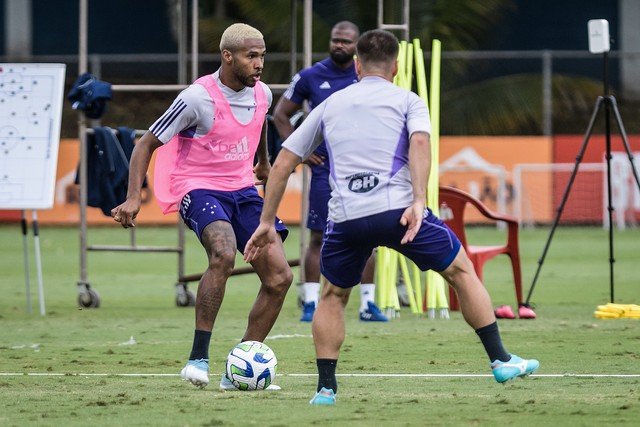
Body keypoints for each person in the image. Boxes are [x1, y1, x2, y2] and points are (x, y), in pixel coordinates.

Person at [244, 29, 539, 405]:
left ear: (357, 65)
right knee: (462, 272)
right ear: (396, 67)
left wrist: (267, 223)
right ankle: (500, 359)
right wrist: (418, 200)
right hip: (400, 213)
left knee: (332, 297)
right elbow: (419, 143)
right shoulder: (409, 100)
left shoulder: (330, 104)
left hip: (347, 218)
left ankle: (325, 389)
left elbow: (283, 164)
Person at [111, 23, 293, 391]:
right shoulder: (197, 98)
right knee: (223, 253)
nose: (259, 64)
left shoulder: (263, 95)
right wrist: (133, 196)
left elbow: (258, 127)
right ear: (227, 56)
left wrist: (263, 161)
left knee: (279, 277)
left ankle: (238, 368)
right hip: (197, 187)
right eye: (251, 56)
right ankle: (198, 358)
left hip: (241, 189)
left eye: (262, 56)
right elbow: (145, 143)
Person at [273, 21, 387, 323]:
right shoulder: (311, 76)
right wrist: (301, 150)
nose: (340, 46)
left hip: (362, 167)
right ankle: (310, 302)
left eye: (347, 42)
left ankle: (368, 305)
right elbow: (280, 114)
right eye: (336, 40)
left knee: (369, 236)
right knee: (317, 237)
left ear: (356, 47)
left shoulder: (366, 76)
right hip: (325, 169)